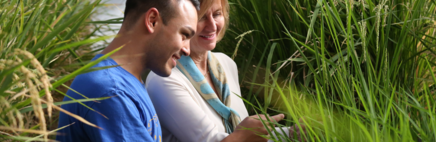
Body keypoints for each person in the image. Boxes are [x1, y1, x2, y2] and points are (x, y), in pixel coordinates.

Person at [145, 0, 292, 141]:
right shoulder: (164, 78)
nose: (212, 26)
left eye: (216, 14)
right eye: (201, 17)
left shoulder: (226, 63)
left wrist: (292, 134)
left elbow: (246, 137)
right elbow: (219, 140)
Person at [56, 0, 200, 141]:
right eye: (184, 35)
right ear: (152, 20)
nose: (187, 50)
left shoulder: (121, 81)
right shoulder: (112, 92)